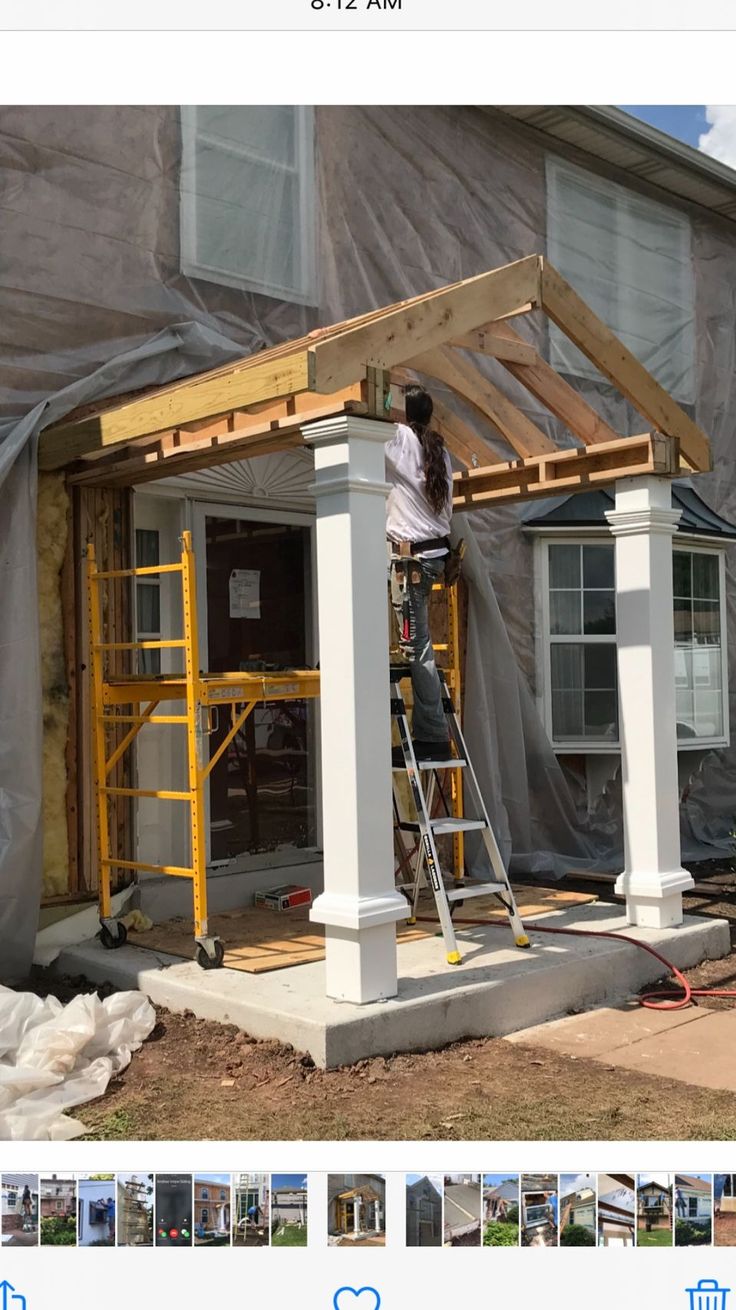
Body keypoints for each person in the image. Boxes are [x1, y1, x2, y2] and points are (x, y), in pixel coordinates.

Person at [386, 385, 454, 761]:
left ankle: (431, 736)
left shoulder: (399, 439)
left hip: (411, 564)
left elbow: (363, 424)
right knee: (418, 642)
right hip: (432, 558)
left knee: (417, 645)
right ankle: (430, 731)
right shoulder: (440, 452)